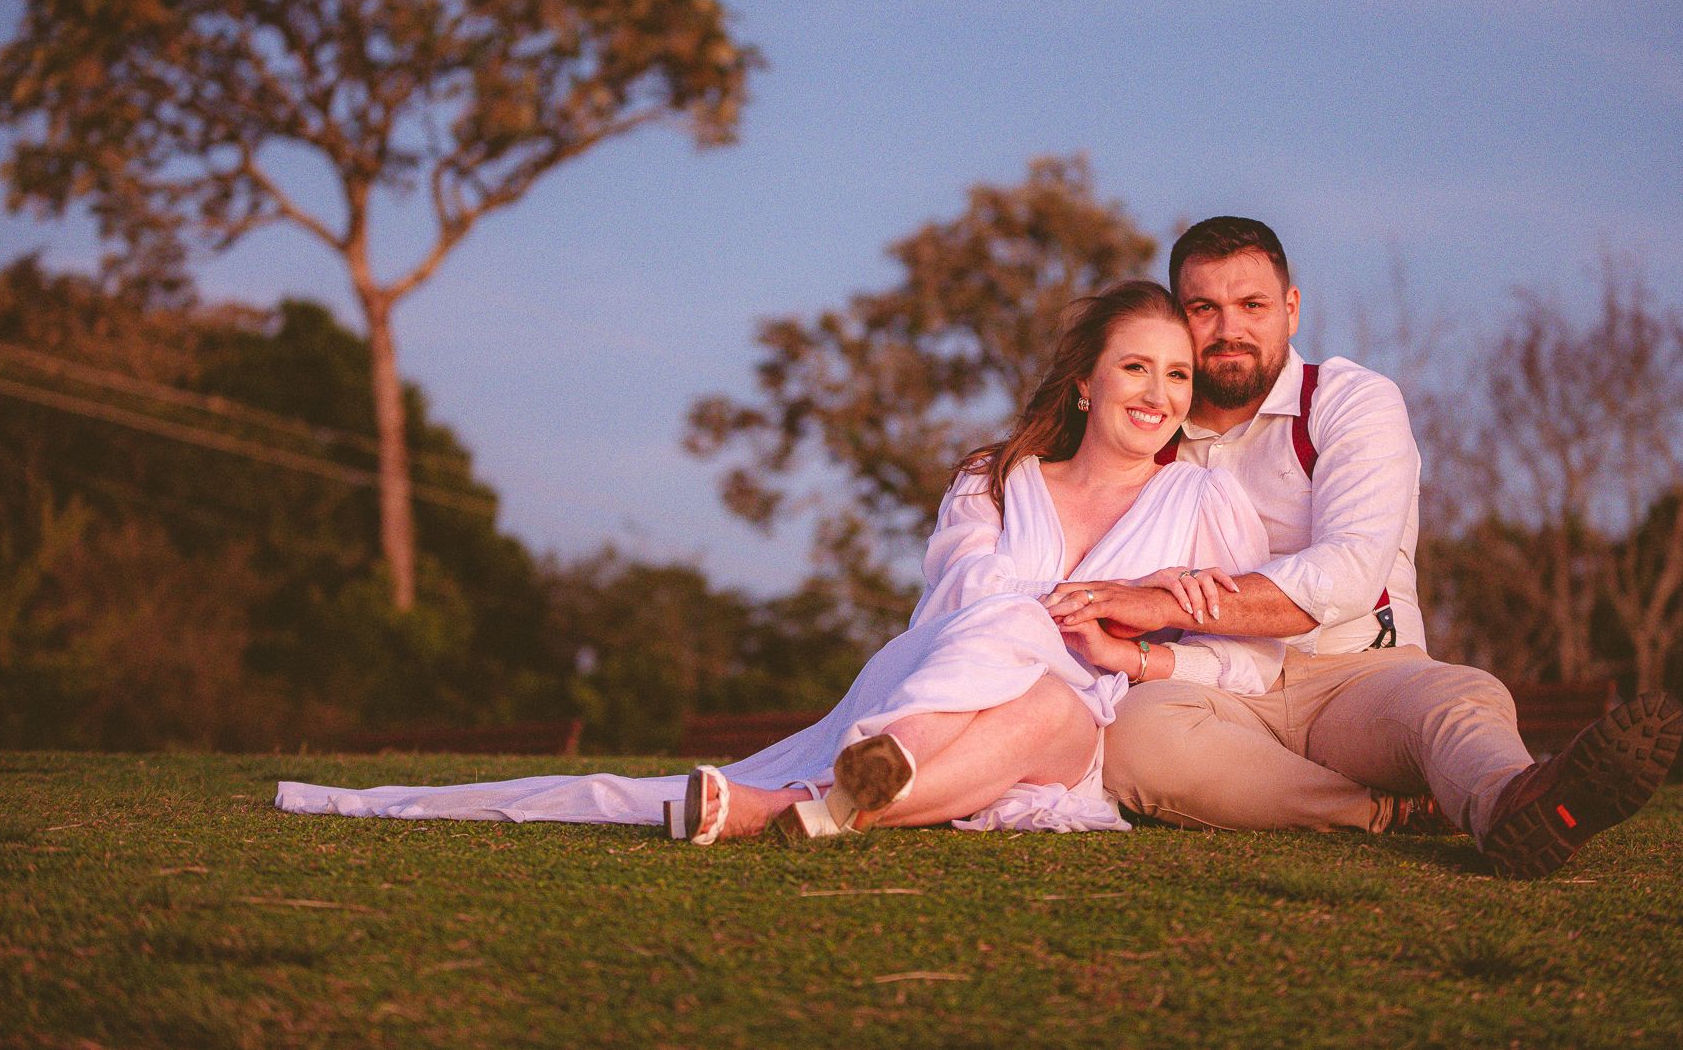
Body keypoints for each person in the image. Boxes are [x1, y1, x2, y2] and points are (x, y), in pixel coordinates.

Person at [278, 281, 1339, 840]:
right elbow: (964, 600)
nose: (1157, 392)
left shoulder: (1206, 502)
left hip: (1073, 721)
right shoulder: (996, 478)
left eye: (1176, 375)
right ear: (1084, 381)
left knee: (1055, 708)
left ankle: (793, 806)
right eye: (1135, 367)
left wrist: (1142, 638)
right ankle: (835, 803)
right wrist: (1095, 604)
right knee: (1014, 635)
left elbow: (1246, 657)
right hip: (947, 680)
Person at [1045, 218, 1683, 878]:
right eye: (1204, 308)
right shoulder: (1149, 425)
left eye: (1252, 305)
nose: (1229, 328)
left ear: (1291, 309)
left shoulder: (1350, 401)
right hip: (1216, 682)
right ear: (1178, 317)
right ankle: (1392, 810)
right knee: (1131, 738)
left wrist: (1159, 603)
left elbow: (1347, 571)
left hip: (1359, 675)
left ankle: (1513, 800)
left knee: (1454, 700)